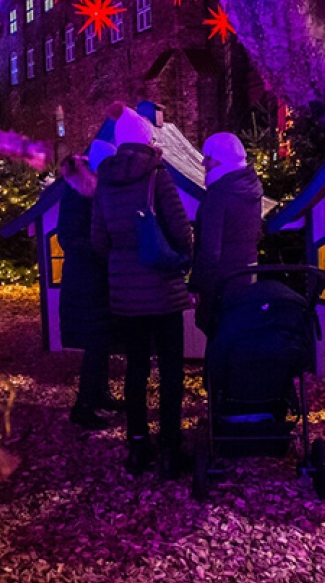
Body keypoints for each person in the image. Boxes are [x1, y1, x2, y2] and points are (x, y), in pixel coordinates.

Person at [92, 103, 193, 478]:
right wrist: (182, 259)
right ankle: (170, 447)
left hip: (125, 294)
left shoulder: (104, 181)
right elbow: (180, 229)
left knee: (135, 370)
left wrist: (121, 265)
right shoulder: (156, 176)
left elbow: (98, 239)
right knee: (170, 370)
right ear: (147, 140)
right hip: (162, 289)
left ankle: (137, 446)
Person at [58, 140, 124, 430]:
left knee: (102, 340)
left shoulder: (92, 194)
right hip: (86, 279)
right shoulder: (78, 195)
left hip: (95, 276)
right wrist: (102, 247)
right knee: (95, 341)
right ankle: (84, 405)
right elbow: (68, 237)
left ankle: (99, 394)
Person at [191, 133, 264, 335]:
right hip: (248, 270)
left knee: (218, 333)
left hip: (222, 277)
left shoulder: (219, 194)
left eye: (209, 157)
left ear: (220, 159)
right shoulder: (251, 187)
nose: (204, 163)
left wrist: (197, 284)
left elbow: (210, 249)